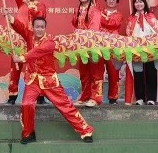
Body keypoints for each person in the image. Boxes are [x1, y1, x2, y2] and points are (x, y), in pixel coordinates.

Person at [8, 15, 94, 144]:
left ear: (45, 28)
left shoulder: (50, 42)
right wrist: (11, 18)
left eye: (42, 27)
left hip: (49, 82)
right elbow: (21, 28)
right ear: (33, 27)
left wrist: (21, 58)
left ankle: (85, 130)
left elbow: (37, 51)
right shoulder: (29, 36)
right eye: (37, 27)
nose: (39, 29)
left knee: (65, 106)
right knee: (26, 104)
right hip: (33, 81)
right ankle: (28, 133)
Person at [8, 0, 47, 104]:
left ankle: (40, 95)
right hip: (19, 39)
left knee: (36, 68)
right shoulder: (21, 2)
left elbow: (40, 17)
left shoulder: (41, 6)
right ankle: (12, 95)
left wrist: (29, 6)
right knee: (15, 67)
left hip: (33, 40)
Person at [71, 0, 102, 107]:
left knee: (95, 72)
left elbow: (94, 27)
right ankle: (85, 96)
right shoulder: (77, 10)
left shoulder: (94, 10)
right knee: (84, 72)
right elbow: (74, 25)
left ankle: (95, 98)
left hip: (93, 44)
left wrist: (86, 37)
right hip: (81, 45)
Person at [126, 0, 158, 105]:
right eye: (136, 2)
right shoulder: (131, 18)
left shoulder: (151, 16)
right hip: (136, 49)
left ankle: (151, 98)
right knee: (138, 73)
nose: (138, 4)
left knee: (151, 72)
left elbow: (157, 31)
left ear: (144, 3)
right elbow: (128, 33)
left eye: (141, 2)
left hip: (150, 48)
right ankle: (140, 98)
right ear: (134, 4)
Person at [100, 0, 124, 104]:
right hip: (100, 44)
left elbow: (113, 24)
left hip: (113, 46)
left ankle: (113, 97)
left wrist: (104, 19)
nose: (110, 1)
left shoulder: (119, 15)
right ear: (106, 1)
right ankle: (96, 97)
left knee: (113, 71)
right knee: (97, 72)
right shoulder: (100, 12)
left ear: (117, 2)